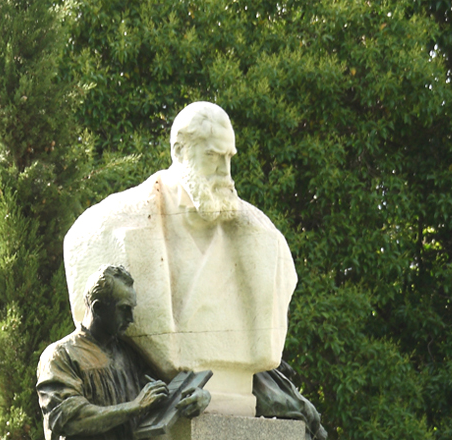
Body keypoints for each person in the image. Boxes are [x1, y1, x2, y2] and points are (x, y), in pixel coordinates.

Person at [63, 101, 297, 415]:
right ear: (179, 151)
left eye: (229, 158)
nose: (225, 173)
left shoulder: (265, 240)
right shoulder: (104, 228)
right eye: (213, 157)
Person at [37, 265, 210, 440]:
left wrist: (199, 397)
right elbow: (68, 418)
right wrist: (135, 406)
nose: (131, 318)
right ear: (97, 309)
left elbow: (165, 391)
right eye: (124, 309)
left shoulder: (128, 353)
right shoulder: (60, 355)